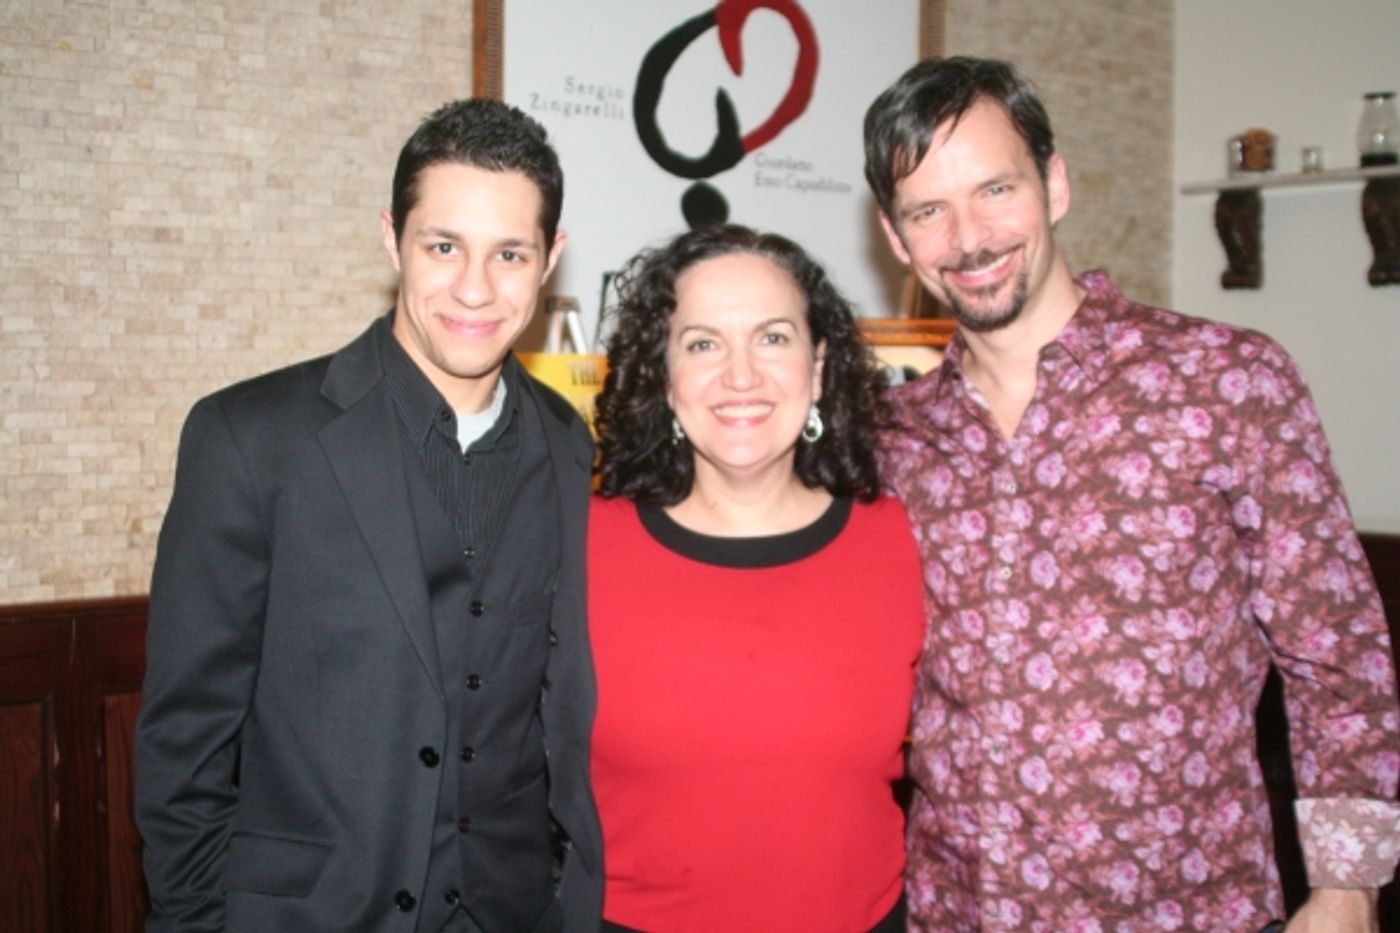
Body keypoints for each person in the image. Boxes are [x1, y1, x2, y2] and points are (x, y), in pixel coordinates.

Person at [864, 56, 1400, 932]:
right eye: (929, 209)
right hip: (956, 911)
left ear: (1055, 183)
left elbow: (1336, 648)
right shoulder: (892, 437)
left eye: (996, 188)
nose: (969, 236)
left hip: (1192, 910)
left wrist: (1346, 885)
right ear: (896, 237)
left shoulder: (1227, 380)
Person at [135, 99, 602, 931]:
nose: (474, 287)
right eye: (444, 245)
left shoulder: (572, 450)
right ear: (392, 240)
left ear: (550, 259)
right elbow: (185, 744)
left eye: (510, 253)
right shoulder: (249, 437)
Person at [587, 223, 925, 932]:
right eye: (704, 343)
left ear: (820, 365)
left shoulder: (902, 538)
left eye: (772, 337)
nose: (740, 375)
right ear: (663, 373)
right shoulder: (579, 545)